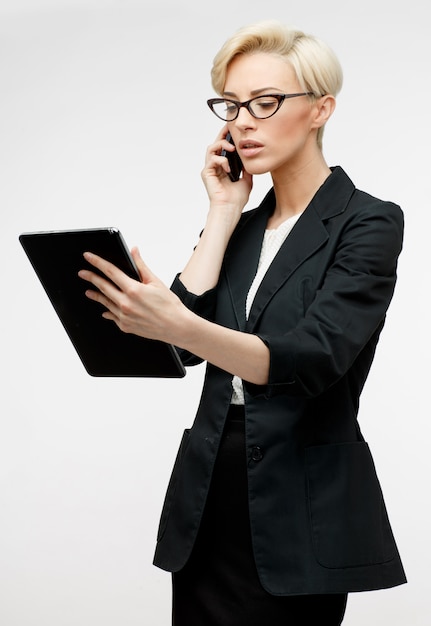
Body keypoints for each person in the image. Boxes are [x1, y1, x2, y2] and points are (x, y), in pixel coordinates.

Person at [79, 20, 407, 626]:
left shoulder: (369, 222)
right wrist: (224, 210)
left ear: (320, 110)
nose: (242, 122)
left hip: (297, 502)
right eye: (232, 105)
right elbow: (184, 346)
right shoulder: (244, 228)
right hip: (210, 493)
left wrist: (177, 326)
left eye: (265, 102)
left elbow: (310, 359)